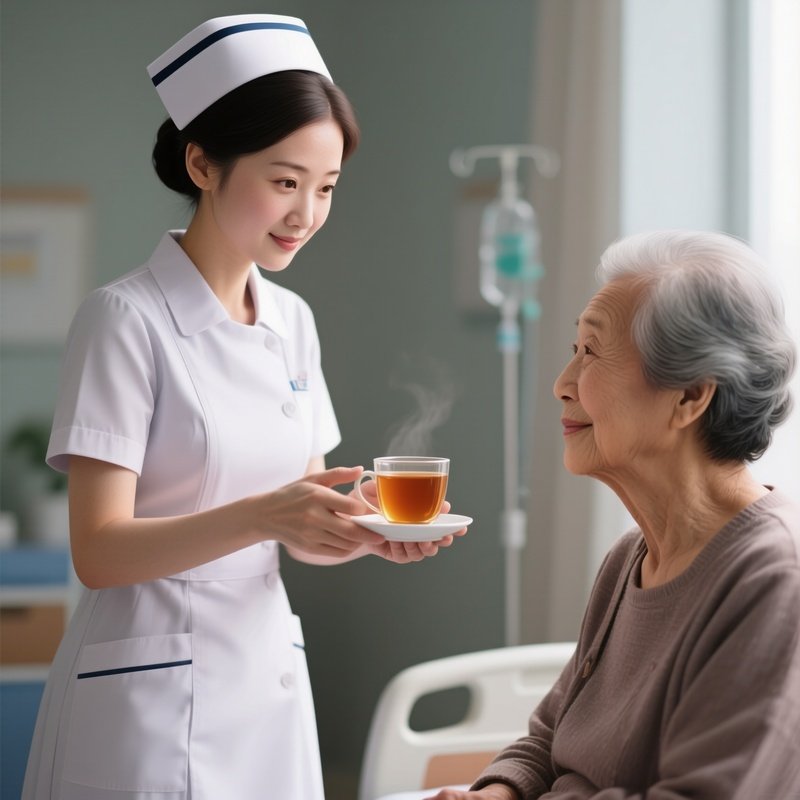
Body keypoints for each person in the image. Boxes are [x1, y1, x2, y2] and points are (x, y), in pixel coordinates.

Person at [23, 15, 458, 800]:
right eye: (284, 181)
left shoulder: (292, 320)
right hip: (144, 694)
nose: (306, 214)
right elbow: (98, 551)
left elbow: (303, 523)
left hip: (265, 679)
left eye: (325, 188)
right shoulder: (124, 320)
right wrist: (265, 516)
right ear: (203, 163)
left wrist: (362, 532)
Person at [431, 230, 800, 800]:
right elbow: (552, 739)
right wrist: (497, 794)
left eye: (592, 353)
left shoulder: (775, 580)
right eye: (573, 351)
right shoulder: (632, 555)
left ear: (689, 396)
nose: (561, 385)